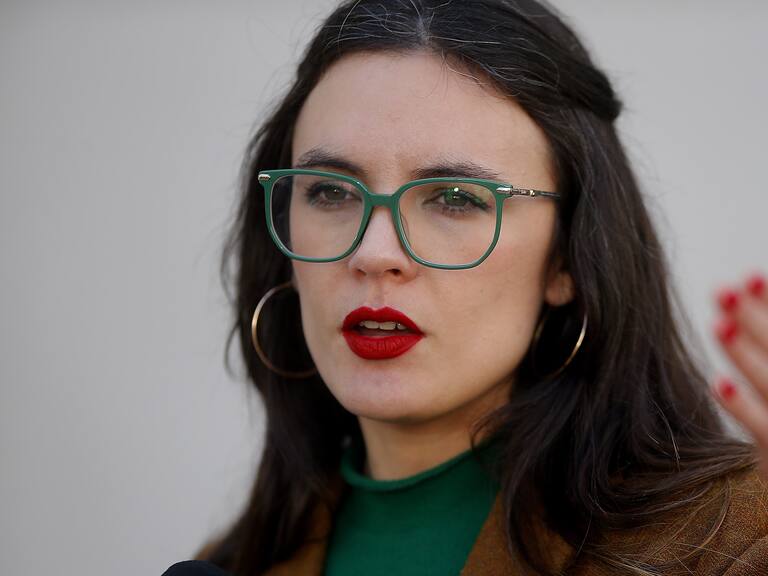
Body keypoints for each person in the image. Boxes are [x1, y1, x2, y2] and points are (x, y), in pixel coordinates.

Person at [188, 1, 768, 574]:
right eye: (331, 192)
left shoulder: (729, 544)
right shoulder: (232, 564)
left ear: (567, 257)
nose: (374, 254)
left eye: (456, 199)